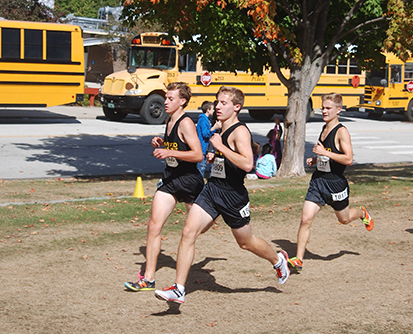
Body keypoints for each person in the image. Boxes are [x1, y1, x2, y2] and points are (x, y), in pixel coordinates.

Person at [154, 86, 290, 304]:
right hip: (212, 190)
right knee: (188, 232)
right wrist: (214, 155)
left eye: (223, 103)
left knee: (245, 242)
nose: (218, 106)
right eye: (217, 102)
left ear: (236, 107)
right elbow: (224, 158)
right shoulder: (220, 130)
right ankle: (179, 288)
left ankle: (278, 259)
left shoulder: (240, 131)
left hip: (232, 195)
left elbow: (247, 164)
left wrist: (222, 149)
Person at [123, 82, 204, 291]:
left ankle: (218, 209)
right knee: (153, 226)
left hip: (189, 180)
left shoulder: (186, 123)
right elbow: (177, 147)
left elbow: (197, 155)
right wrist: (163, 144)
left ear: (182, 101)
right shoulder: (169, 120)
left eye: (170, 99)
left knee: (199, 229)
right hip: (170, 179)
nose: (166, 102)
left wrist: (170, 152)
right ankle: (148, 279)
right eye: (166, 98)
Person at [287, 93, 374, 272]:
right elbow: (326, 154)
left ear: (338, 110)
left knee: (344, 219)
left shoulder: (342, 131)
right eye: (323, 107)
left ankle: (361, 213)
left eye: (328, 108)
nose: (324, 111)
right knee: (305, 219)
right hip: (318, 182)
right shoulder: (324, 128)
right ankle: (299, 259)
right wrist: (314, 159)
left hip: (335, 183)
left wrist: (325, 154)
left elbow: (348, 159)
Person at [196, 101, 221, 177]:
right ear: (208, 110)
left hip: (205, 147)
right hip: (202, 147)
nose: (214, 111)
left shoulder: (206, 119)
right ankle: (198, 182)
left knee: (203, 166)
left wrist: (216, 128)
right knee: (201, 167)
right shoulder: (203, 120)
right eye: (212, 109)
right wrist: (214, 127)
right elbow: (205, 133)